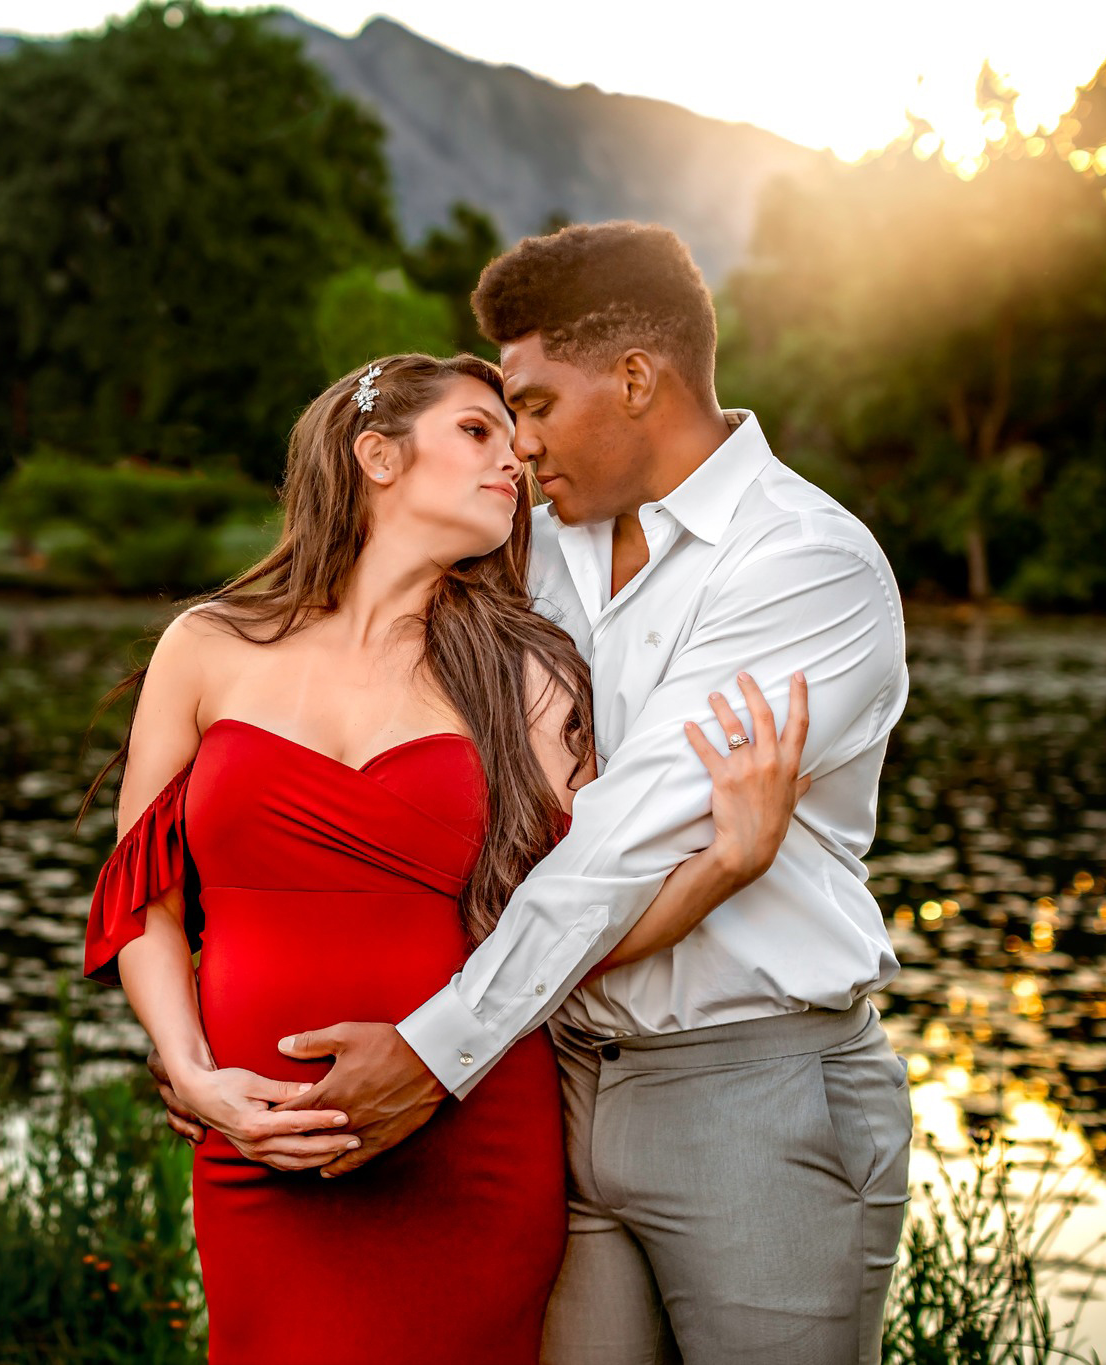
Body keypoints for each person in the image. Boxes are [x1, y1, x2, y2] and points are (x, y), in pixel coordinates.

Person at [235, 222, 916, 1365]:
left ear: (637, 378)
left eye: (534, 405)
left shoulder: (802, 565)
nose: (518, 444)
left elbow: (613, 846)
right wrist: (218, 1046)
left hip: (748, 1089)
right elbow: (367, 756)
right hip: (551, 1086)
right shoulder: (534, 550)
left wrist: (429, 1055)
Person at [83, 348, 812, 1363]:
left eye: (511, 436)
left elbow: (571, 929)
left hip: (466, 1151)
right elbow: (142, 899)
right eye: (476, 431)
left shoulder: (528, 674)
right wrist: (193, 1073)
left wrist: (725, 865)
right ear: (374, 455)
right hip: (258, 1150)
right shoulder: (205, 647)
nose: (512, 456)